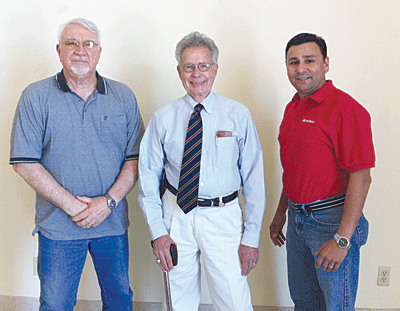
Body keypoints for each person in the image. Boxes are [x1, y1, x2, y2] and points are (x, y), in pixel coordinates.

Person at [9, 18, 144, 310]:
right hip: (58, 228)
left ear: (99, 52)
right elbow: (24, 163)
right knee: (56, 304)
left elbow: (135, 159)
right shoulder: (35, 97)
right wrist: (75, 207)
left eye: (88, 44)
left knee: (120, 299)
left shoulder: (123, 96)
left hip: (112, 224)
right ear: (59, 50)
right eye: (72, 43)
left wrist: (107, 203)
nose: (80, 50)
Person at [138, 31, 266, 311]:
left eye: (204, 65)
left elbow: (255, 181)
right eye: (189, 66)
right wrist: (158, 232)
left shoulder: (238, 115)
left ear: (215, 69)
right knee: (177, 300)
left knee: (234, 301)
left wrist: (251, 238)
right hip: (176, 216)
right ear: (179, 71)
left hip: (223, 216)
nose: (197, 74)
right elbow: (147, 179)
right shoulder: (163, 118)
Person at [269, 33, 375, 311]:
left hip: (331, 222)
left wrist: (342, 239)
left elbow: (361, 177)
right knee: (304, 302)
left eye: (309, 60)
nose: (300, 69)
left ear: (326, 63)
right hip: (297, 220)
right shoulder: (292, 107)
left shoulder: (346, 109)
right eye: (293, 62)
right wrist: (281, 213)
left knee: (335, 305)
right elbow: (294, 168)